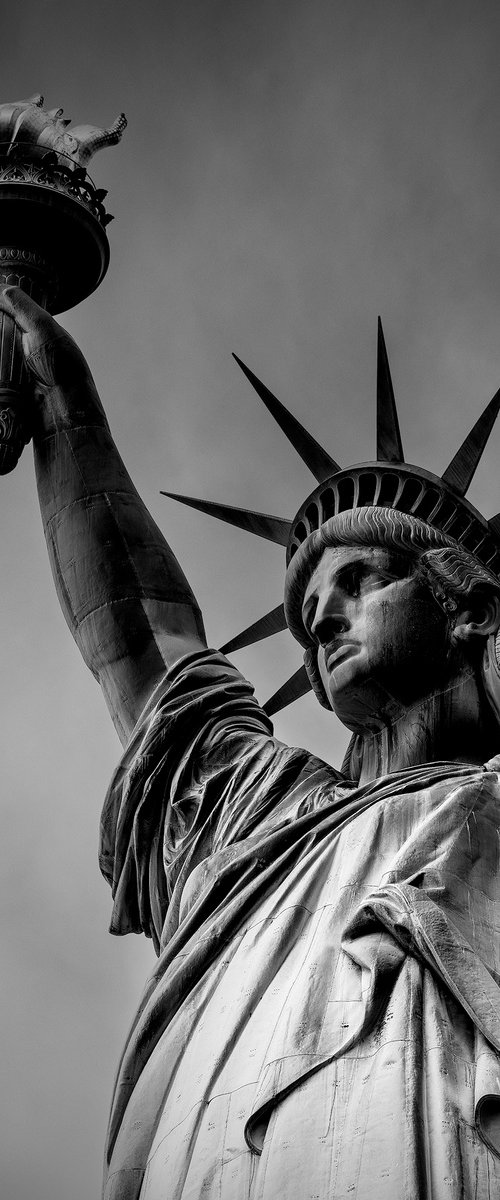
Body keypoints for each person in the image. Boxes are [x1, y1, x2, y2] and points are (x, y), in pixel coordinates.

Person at [3, 284, 500, 1200]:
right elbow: (140, 639)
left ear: (463, 601)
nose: (325, 623)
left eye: (361, 581)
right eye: (311, 616)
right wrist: (57, 392)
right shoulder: (261, 818)